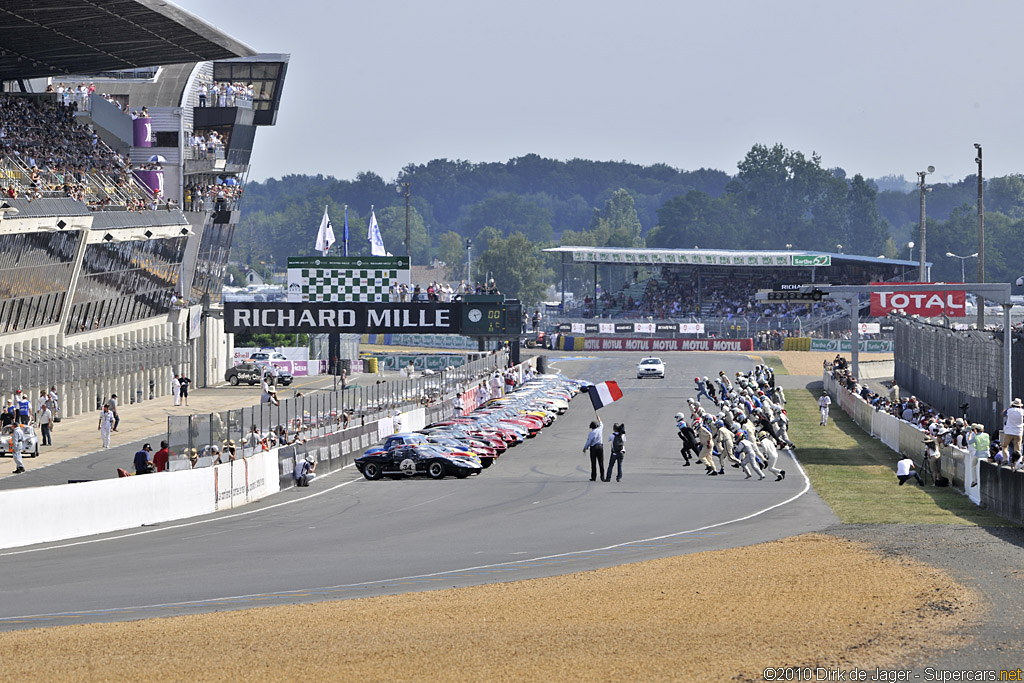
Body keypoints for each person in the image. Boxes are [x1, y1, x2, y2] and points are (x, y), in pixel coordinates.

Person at [1000, 397, 1024, 470]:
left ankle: (1005, 460)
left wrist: (1009, 407)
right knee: (1017, 449)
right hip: (1018, 432)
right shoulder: (1022, 411)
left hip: (1009, 431)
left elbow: (1002, 414)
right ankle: (1017, 462)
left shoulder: (1009, 410)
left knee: (1005, 446)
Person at [582, 417, 604, 482]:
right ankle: (602, 477)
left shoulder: (591, 433)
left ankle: (593, 477)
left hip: (594, 448)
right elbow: (602, 424)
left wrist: (585, 448)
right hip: (600, 447)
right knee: (601, 462)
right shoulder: (600, 429)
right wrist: (599, 419)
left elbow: (589, 441)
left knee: (593, 463)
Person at [969, 424, 989, 488]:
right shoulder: (986, 435)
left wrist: (970, 435)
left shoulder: (976, 437)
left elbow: (969, 442)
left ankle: (974, 480)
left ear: (976, 430)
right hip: (987, 453)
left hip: (979, 454)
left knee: (973, 465)